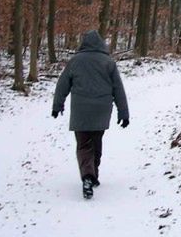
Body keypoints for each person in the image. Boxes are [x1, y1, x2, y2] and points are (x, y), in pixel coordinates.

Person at [52, 30, 129, 199]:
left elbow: (62, 84)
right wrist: (123, 113)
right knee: (96, 141)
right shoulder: (108, 62)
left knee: (84, 144)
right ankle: (94, 174)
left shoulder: (75, 61)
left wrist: (57, 106)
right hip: (102, 109)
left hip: (81, 109)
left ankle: (87, 175)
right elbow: (118, 89)